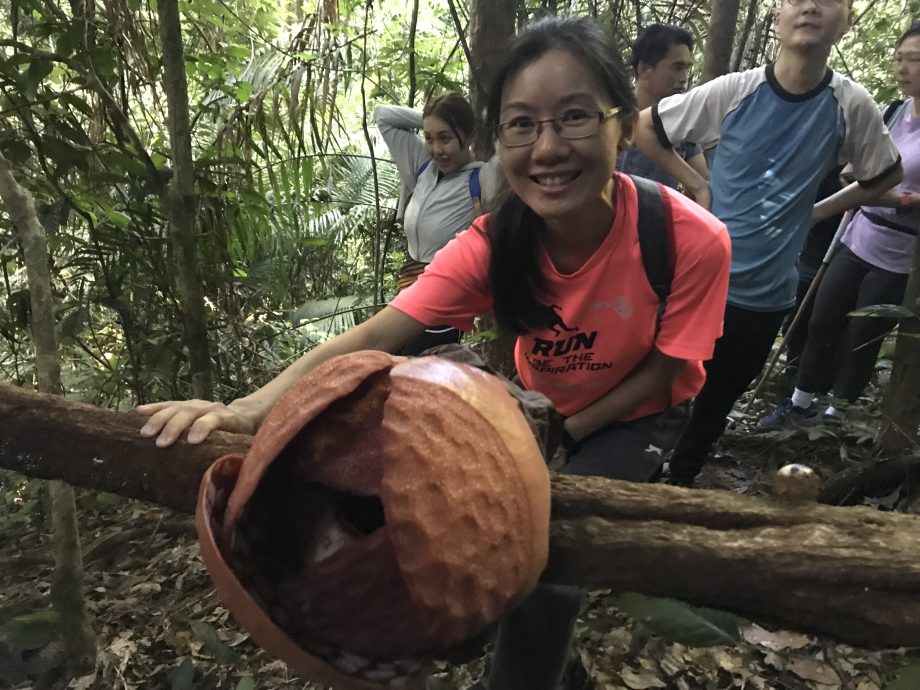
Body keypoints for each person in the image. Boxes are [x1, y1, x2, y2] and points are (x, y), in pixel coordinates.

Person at [139, 16, 731, 690]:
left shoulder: (689, 239)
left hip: (631, 413)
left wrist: (570, 433)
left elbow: (668, 367)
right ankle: (554, 668)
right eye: (520, 124)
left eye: (574, 117)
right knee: (476, 537)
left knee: (548, 560)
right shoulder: (495, 243)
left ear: (623, 127)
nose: (546, 148)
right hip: (537, 405)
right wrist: (246, 409)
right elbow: (374, 336)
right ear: (499, 140)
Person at [633, 0, 904, 486]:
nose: (811, 7)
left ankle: (681, 486)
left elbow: (885, 174)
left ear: (846, 22)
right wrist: (699, 187)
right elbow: (647, 127)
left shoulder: (851, 104)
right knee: (662, 391)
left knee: (717, 402)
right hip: (699, 282)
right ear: (778, 17)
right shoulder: (735, 90)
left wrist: (816, 211)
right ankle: (639, 475)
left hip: (766, 294)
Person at [761, 20, 920, 426]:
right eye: (899, 59)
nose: (903, 68)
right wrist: (861, 183)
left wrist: (899, 198)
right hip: (858, 235)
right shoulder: (895, 111)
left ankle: (835, 416)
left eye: (914, 60)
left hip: (901, 253)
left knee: (862, 337)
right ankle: (800, 402)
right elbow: (862, 167)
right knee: (822, 319)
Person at [375, 93, 497, 354]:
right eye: (429, 138)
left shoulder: (483, 178)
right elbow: (383, 116)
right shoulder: (423, 168)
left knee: (415, 366)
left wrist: (462, 121)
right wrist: (432, 120)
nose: (436, 149)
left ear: (468, 136)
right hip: (409, 285)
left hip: (444, 297)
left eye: (445, 138)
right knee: (393, 364)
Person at [617, 23, 709, 188]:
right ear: (644, 69)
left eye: (686, 68)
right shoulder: (612, 116)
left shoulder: (681, 122)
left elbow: (704, 181)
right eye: (677, 68)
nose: (684, 78)